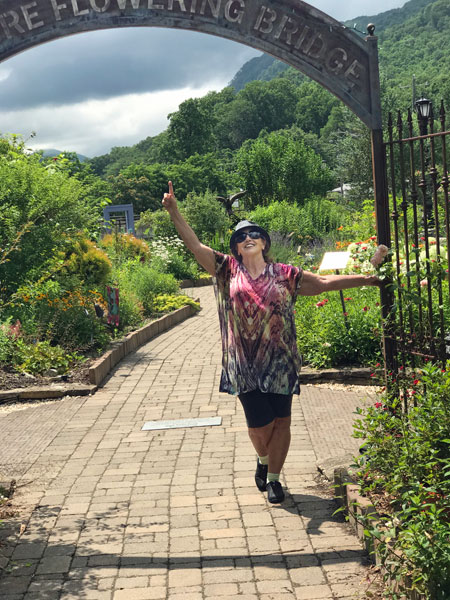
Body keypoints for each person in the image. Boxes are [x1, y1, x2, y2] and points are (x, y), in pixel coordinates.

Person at [162, 181, 381, 504]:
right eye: (241, 237)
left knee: (283, 421)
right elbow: (194, 246)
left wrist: (366, 279)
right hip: (244, 364)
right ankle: (263, 459)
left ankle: (275, 479)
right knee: (260, 426)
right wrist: (174, 211)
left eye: (253, 235)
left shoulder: (285, 274)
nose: (247, 239)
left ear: (264, 242)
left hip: (280, 361)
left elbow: (322, 283)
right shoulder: (225, 270)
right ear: (236, 248)